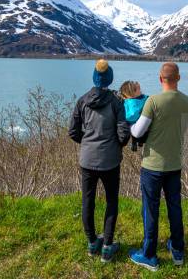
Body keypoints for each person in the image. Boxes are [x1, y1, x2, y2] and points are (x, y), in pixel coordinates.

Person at [128, 62, 188, 271]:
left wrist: (129, 124)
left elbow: (138, 132)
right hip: (174, 163)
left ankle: (149, 255)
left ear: (160, 79)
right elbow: (180, 129)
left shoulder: (153, 102)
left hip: (153, 165)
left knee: (150, 209)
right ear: (179, 78)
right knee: (175, 206)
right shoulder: (187, 102)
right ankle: (177, 250)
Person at [68, 59, 130, 263]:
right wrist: (115, 145)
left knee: (88, 201)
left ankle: (92, 242)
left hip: (87, 159)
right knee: (112, 201)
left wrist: (87, 143)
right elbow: (123, 133)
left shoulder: (82, 100)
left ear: (94, 79)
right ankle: (107, 247)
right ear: (110, 79)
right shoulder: (116, 102)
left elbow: (73, 132)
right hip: (110, 160)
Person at [119, 80, 149, 151]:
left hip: (139, 125)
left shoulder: (137, 98)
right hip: (136, 124)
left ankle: (137, 142)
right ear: (133, 93)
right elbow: (131, 115)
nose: (140, 90)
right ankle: (136, 142)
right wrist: (142, 112)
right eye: (137, 89)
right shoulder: (131, 102)